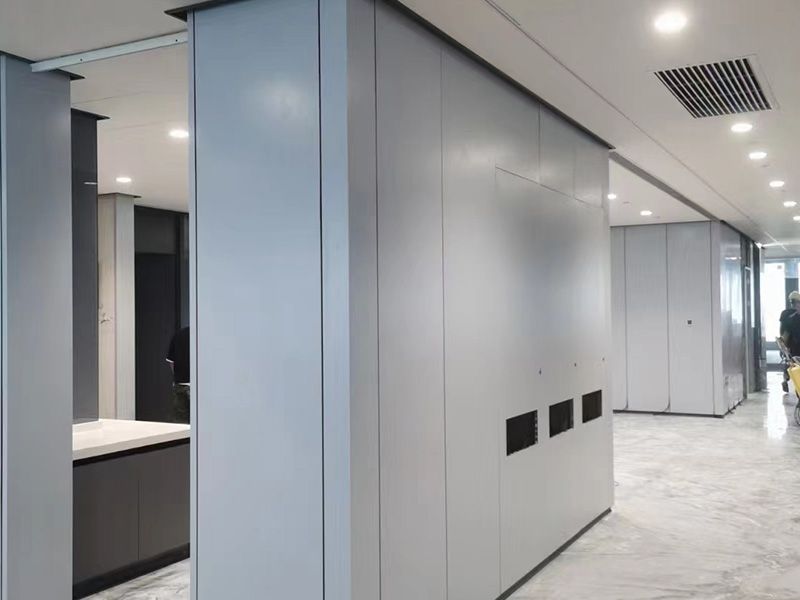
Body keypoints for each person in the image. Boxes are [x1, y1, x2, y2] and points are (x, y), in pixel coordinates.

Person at [166, 326, 190, 423]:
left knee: (181, 423)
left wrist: (178, 377)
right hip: (200, 386)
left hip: (180, 384)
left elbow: (171, 362)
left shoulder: (178, 335)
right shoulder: (204, 334)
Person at [780, 292, 800, 392]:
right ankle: (786, 379)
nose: (795, 305)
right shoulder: (788, 316)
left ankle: (787, 380)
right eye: (794, 303)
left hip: (794, 346)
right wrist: (783, 345)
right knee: (792, 366)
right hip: (793, 347)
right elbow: (785, 333)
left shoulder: (788, 315)